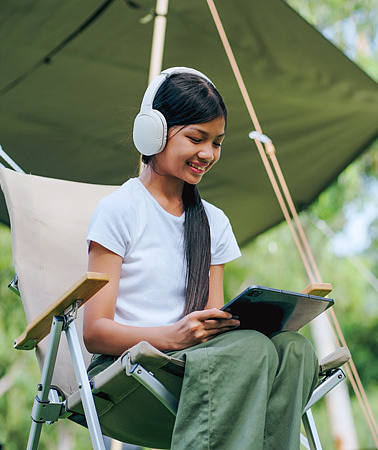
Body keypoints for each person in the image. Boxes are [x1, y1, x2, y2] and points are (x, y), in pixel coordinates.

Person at [83, 67, 319, 449]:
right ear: (153, 132)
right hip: (133, 372)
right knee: (251, 350)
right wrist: (170, 336)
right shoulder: (119, 210)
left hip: (197, 367)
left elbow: (214, 329)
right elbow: (94, 333)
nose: (207, 154)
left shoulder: (214, 222)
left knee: (296, 349)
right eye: (196, 138)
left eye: (217, 142)